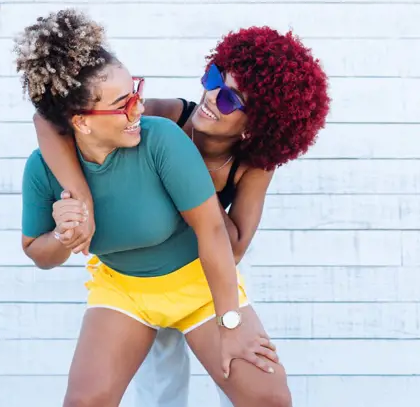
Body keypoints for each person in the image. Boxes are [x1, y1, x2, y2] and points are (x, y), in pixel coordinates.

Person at [32, 23, 331, 406]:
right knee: (159, 386)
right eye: (213, 78)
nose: (211, 97)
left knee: (252, 381)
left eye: (230, 100)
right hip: (135, 274)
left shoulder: (253, 165)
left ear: (259, 124)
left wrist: (188, 176)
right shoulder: (166, 117)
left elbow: (235, 244)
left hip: (204, 273)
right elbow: (49, 120)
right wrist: (83, 198)